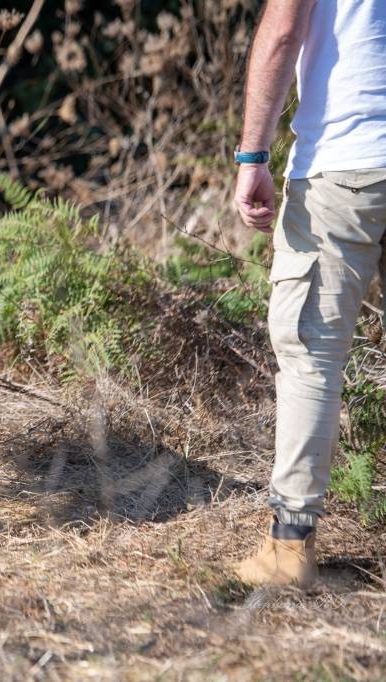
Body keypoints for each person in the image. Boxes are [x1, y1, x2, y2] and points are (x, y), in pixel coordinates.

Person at [233, 0, 386, 587]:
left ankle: (289, 548)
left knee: (310, 351)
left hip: (346, 163)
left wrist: (253, 155)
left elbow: (281, 31)